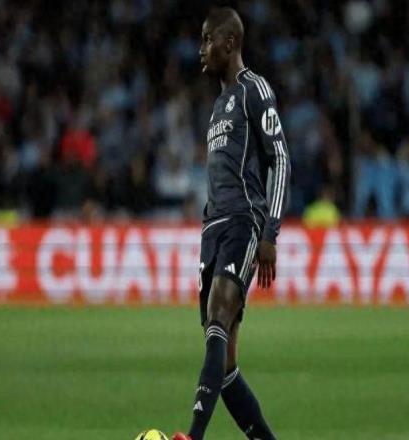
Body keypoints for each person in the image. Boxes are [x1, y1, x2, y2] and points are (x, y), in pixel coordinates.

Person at [172, 7, 290, 440]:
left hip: (243, 220)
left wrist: (270, 232)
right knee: (223, 365)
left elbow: (280, 159)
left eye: (207, 39)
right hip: (213, 228)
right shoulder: (218, 105)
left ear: (229, 42)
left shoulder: (253, 89)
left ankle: (192, 437)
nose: (201, 49)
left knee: (218, 316)